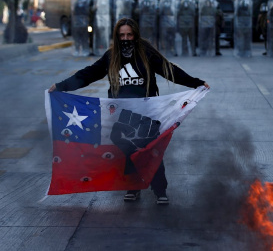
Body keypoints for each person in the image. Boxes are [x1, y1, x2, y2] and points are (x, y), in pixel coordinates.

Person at [48, 18, 210, 205]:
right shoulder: (111, 56)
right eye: (122, 35)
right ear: (117, 37)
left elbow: (169, 70)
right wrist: (61, 86)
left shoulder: (146, 53)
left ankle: (160, 190)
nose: (126, 38)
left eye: (129, 35)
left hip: (147, 112)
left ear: (135, 35)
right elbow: (88, 74)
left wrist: (196, 82)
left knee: (151, 151)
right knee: (128, 152)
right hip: (122, 113)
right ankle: (133, 187)